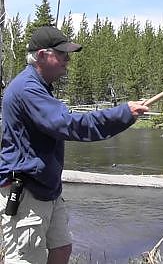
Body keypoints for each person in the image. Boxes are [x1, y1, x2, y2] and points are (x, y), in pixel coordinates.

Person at [0, 26, 149, 264]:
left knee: (61, 249)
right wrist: (122, 114)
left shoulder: (40, 87)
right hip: (27, 190)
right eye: (61, 54)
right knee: (25, 259)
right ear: (41, 55)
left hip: (46, 189)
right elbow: (69, 125)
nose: (67, 59)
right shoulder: (27, 88)